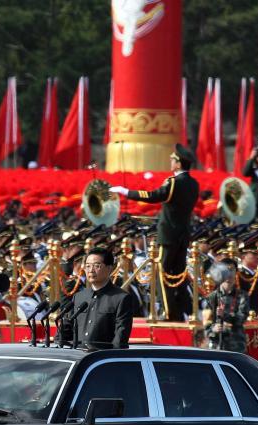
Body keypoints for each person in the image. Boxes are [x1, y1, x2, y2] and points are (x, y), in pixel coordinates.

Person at [110, 144, 199, 321]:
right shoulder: (193, 183)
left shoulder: (174, 182)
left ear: (179, 163)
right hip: (183, 235)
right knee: (178, 274)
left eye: (173, 160)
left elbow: (153, 196)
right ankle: (184, 311)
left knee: (162, 273)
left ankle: (168, 311)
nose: (170, 162)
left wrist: (126, 191)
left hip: (168, 235)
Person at [71, 247, 133, 350]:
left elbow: (120, 338)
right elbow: (67, 329)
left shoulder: (121, 298)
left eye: (96, 266)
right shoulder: (79, 297)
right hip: (77, 357)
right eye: (87, 266)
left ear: (109, 268)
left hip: (102, 359)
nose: (91, 270)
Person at [203, 260, 248, 352]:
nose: (229, 274)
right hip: (216, 346)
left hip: (236, 345)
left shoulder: (242, 295)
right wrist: (213, 329)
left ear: (236, 272)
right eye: (226, 270)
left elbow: (241, 318)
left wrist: (225, 315)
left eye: (232, 270)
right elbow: (206, 323)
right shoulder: (212, 297)